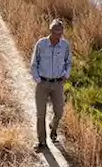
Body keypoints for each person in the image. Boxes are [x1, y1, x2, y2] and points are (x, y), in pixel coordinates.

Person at [30, 18, 72, 151]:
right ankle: (42, 142)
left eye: (60, 33)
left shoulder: (65, 45)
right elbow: (34, 63)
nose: (57, 36)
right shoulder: (41, 44)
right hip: (42, 83)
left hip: (58, 84)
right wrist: (37, 79)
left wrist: (66, 74)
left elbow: (68, 62)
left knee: (59, 111)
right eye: (55, 33)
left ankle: (53, 128)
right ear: (50, 31)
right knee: (40, 114)